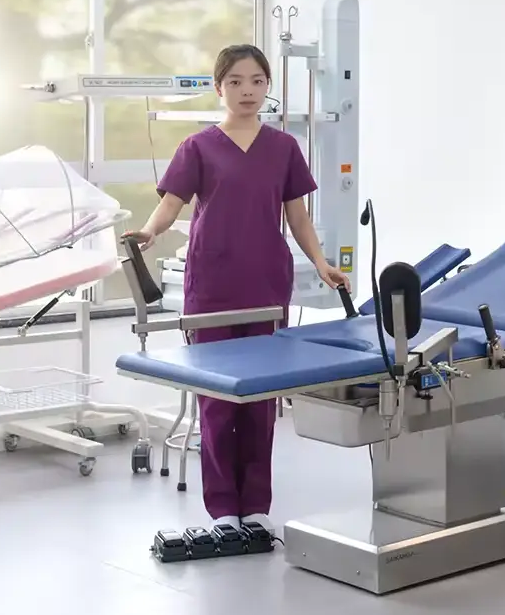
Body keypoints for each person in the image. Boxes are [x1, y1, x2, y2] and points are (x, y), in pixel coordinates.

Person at [121, 44, 351, 534]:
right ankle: (224, 507)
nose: (247, 90)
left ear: (268, 86)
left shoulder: (284, 148)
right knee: (216, 400)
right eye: (236, 81)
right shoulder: (198, 147)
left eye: (257, 81)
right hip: (213, 284)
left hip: (266, 283)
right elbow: (172, 203)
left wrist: (321, 263)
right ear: (218, 87)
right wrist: (150, 232)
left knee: (261, 401)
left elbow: (298, 217)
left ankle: (257, 504)